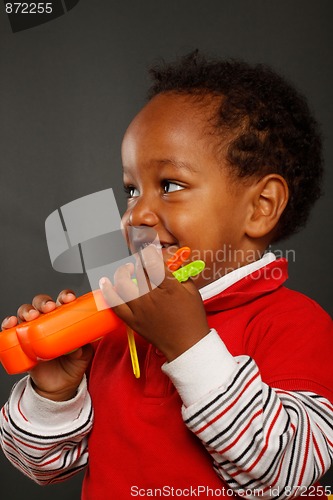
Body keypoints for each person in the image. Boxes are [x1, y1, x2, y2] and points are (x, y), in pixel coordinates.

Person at [1, 51, 333, 499]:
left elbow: (288, 476)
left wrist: (189, 347)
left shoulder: (295, 324)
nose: (136, 213)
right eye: (131, 190)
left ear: (261, 207)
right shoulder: (117, 327)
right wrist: (53, 395)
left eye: (170, 186)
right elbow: (42, 468)